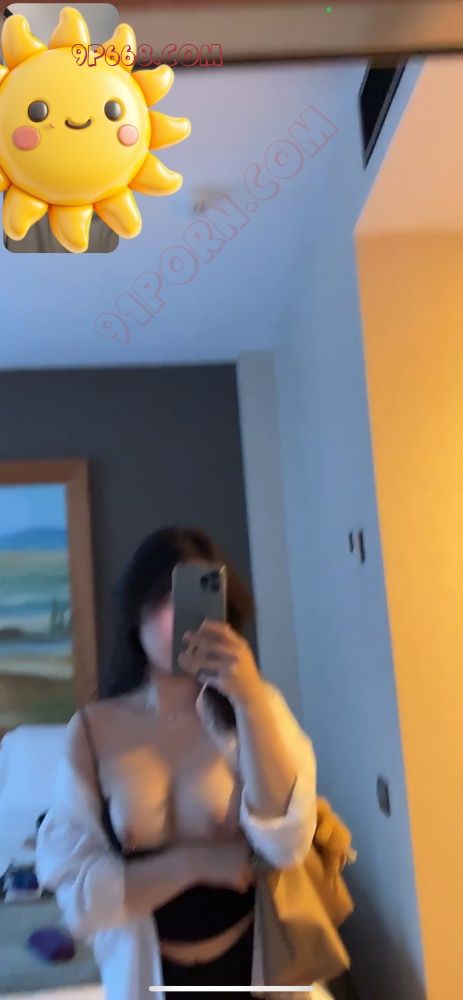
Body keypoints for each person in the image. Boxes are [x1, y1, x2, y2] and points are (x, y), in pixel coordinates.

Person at [36, 526, 318, 1000]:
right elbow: (79, 902)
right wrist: (194, 863)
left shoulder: (259, 708)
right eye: (162, 600)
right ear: (136, 612)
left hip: (258, 973)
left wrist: (248, 700)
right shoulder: (93, 730)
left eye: (192, 600)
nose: (178, 619)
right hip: (146, 979)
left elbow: (288, 844)